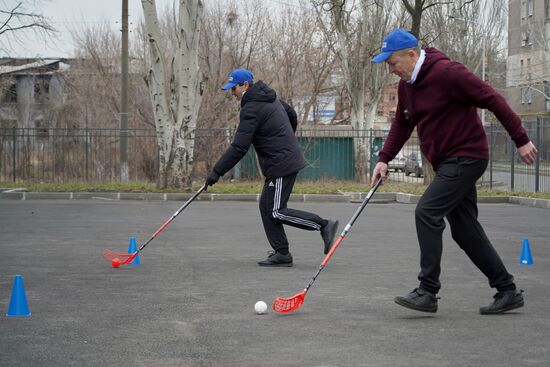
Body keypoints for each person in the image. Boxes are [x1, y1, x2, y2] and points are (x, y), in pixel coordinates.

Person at [370, 29, 538, 314]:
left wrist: (520, 139)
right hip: (447, 161)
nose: (391, 69)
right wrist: (384, 158)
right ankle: (507, 290)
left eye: (393, 62)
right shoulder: (407, 85)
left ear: (412, 55)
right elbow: (402, 124)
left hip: (468, 155)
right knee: (464, 230)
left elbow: (492, 98)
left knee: (427, 212)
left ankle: (427, 291)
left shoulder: (448, 73)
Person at [205, 68, 339, 267]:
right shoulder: (270, 99)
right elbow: (291, 114)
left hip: (280, 163)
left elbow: (239, 147)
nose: (232, 93)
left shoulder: (251, 109)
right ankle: (282, 253)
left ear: (245, 85)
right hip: (283, 159)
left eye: (234, 88)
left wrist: (216, 172)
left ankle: (323, 225)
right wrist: (285, 137)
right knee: (266, 206)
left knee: (276, 210)